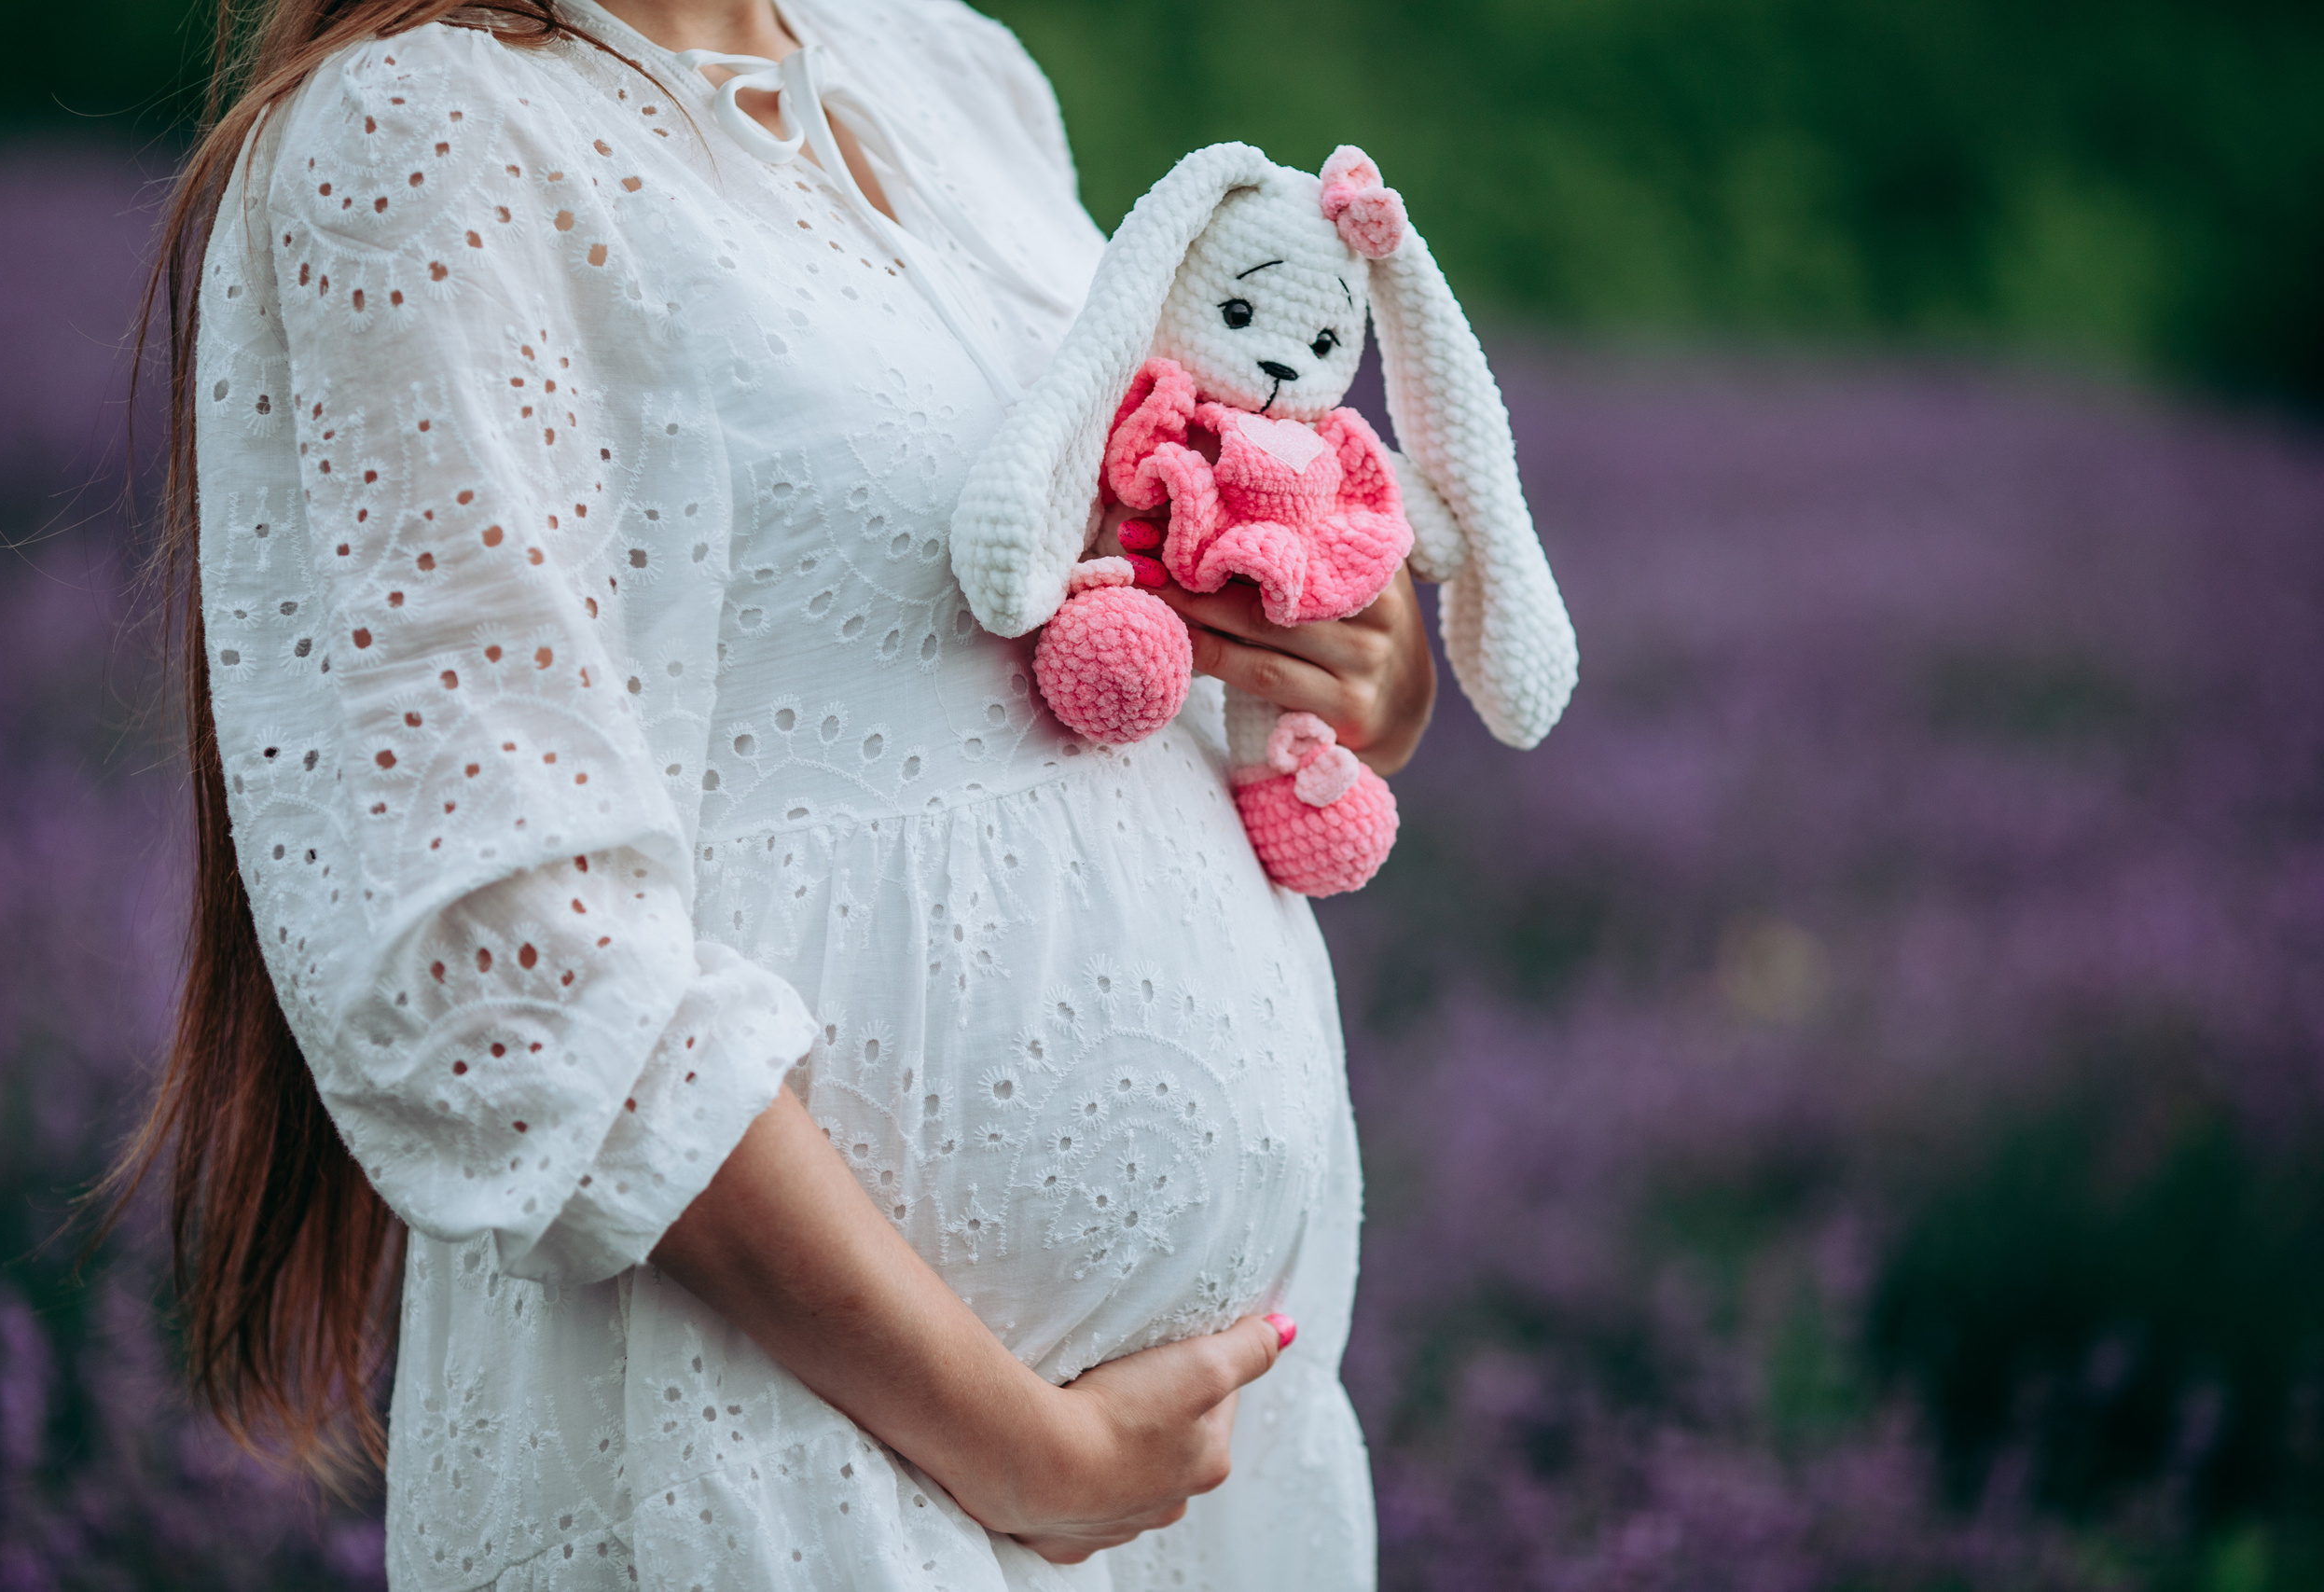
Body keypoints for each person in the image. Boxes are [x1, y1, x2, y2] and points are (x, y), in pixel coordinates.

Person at [125, 0, 1439, 1585]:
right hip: (788, 1446)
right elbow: (503, 944)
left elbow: (1142, 583)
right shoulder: (425, 135)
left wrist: (1359, 667)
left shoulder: (954, 74)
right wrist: (1028, 1453)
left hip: (1197, 1479)